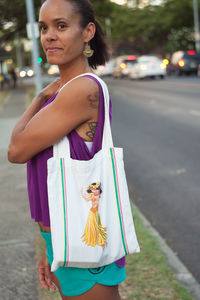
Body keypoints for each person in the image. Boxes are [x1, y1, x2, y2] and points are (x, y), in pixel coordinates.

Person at [8, 0, 126, 299]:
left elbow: (17, 150)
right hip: (61, 238)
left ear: (87, 32)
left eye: (61, 26)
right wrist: (49, 246)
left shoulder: (80, 89)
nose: (49, 36)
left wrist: (39, 98)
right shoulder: (64, 87)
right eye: (44, 27)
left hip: (82, 238)